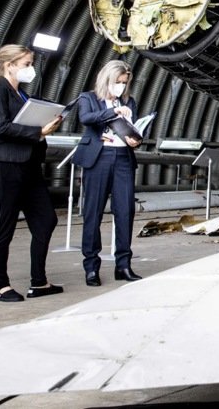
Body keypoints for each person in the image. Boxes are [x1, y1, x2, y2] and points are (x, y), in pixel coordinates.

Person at [0, 44, 63, 302]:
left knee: (46, 219)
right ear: (10, 65)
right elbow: (1, 127)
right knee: (4, 225)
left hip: (28, 166)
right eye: (27, 64)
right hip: (5, 166)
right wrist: (39, 132)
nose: (31, 69)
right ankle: (0, 286)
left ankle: (39, 282)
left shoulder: (22, 95)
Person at [72, 60, 143, 285]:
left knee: (125, 212)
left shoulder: (129, 100)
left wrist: (135, 141)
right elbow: (86, 118)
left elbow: (134, 128)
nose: (121, 86)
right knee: (93, 213)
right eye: (117, 82)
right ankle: (91, 267)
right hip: (99, 158)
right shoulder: (88, 98)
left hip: (123, 159)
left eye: (124, 83)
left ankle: (123, 265)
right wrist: (113, 111)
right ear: (107, 79)